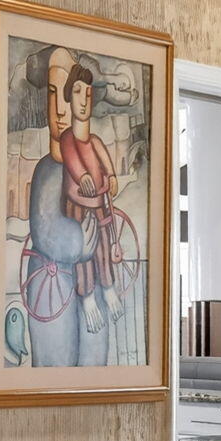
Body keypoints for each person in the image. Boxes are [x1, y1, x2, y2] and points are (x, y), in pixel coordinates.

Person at [59, 64, 122, 327]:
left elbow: (108, 165)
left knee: (104, 249)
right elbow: (73, 161)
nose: (83, 100)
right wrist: (82, 176)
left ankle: (108, 288)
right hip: (78, 209)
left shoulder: (95, 140)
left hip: (100, 207)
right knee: (84, 253)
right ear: (69, 97)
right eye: (77, 92)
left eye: (87, 94)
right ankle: (86, 297)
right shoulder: (67, 138)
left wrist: (112, 176)